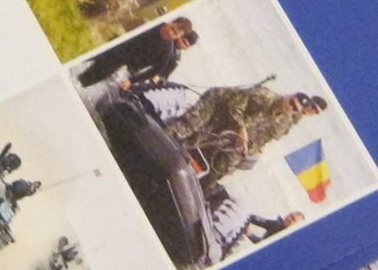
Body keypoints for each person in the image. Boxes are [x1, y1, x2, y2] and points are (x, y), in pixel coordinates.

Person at [138, 80, 328, 183]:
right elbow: (234, 106)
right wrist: (241, 130)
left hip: (230, 124)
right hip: (218, 103)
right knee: (189, 126)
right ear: (289, 96)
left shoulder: (284, 120)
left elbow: (262, 136)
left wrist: (246, 149)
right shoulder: (265, 97)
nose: (291, 107)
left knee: (227, 161)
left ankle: (202, 185)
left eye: (295, 108)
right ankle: (149, 140)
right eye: (292, 102)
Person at [76, 18, 199, 88]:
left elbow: (155, 72)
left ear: (178, 37)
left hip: (119, 63)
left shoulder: (167, 53)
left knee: (82, 82)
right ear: (170, 22)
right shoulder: (151, 23)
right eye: (172, 28)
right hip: (110, 46)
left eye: (175, 34)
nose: (171, 33)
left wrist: (131, 81)